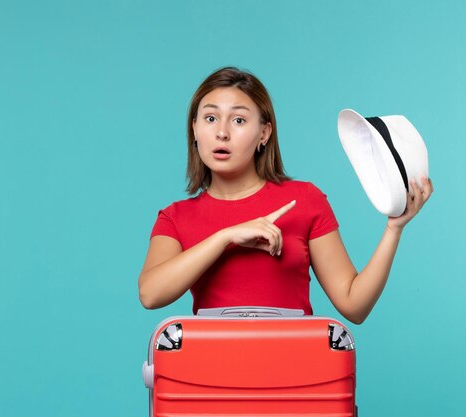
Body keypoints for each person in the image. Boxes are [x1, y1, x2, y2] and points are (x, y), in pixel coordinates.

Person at [138, 66, 433, 324]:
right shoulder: (176, 217)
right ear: (194, 129)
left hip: (296, 378)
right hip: (212, 380)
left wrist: (394, 229)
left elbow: (354, 305)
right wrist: (226, 237)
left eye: (238, 120)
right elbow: (150, 294)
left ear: (264, 133)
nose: (222, 133)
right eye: (211, 118)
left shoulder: (305, 200)